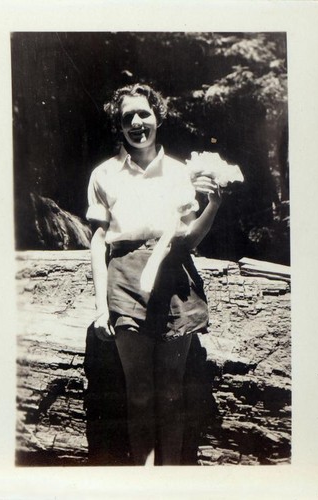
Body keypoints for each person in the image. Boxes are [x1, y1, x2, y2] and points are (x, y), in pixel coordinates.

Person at [86, 83, 221, 465]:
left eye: (143, 113)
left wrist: (213, 204)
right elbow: (99, 242)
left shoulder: (181, 173)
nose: (136, 122)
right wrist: (101, 307)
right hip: (126, 282)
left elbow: (191, 238)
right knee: (140, 392)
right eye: (127, 117)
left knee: (172, 392)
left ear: (157, 117)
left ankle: (170, 477)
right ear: (119, 126)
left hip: (175, 279)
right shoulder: (104, 175)